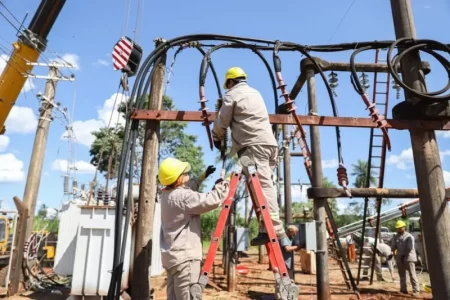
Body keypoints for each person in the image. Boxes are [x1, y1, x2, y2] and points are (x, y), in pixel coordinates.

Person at [212, 66, 286, 245]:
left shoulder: (232, 95)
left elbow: (222, 121)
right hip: (268, 146)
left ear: (230, 81)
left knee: (263, 185)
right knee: (259, 186)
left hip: (253, 146)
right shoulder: (255, 93)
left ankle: (275, 229)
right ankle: (265, 228)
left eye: (227, 85)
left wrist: (216, 137)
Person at [159, 157, 230, 300]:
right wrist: (226, 182)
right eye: (183, 172)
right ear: (178, 179)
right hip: (186, 260)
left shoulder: (166, 194)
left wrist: (203, 176)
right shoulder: (183, 197)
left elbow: (188, 188)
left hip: (173, 259)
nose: (187, 173)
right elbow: (213, 199)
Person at [391, 220, 420, 296]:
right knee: (402, 275)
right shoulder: (396, 236)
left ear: (404, 227)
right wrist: (395, 255)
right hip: (400, 257)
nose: (398, 229)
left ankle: (416, 290)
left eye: (400, 228)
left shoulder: (409, 237)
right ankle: (403, 290)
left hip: (409, 258)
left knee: (412, 274)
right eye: (397, 228)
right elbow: (393, 247)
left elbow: (409, 248)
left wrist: (403, 256)